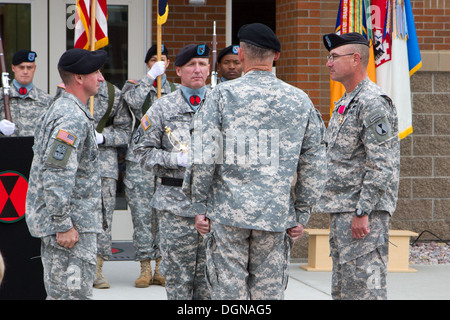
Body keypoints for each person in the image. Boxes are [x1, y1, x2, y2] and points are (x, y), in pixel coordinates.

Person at [184, 23, 327, 300]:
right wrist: (302, 212)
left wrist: (199, 205)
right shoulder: (300, 100)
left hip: (228, 214)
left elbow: (204, 155)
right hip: (275, 215)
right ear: (275, 56)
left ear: (241, 55)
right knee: (268, 293)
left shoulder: (220, 96)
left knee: (228, 294)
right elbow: (314, 161)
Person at [316, 32, 400, 300]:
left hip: (363, 215)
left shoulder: (372, 102)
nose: (328, 63)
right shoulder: (346, 101)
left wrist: (363, 211)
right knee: (344, 292)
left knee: (366, 292)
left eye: (333, 57)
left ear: (355, 59)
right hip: (344, 212)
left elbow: (382, 163)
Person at [25, 48, 107, 300]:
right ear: (79, 78)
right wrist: (63, 224)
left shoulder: (62, 108)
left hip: (71, 225)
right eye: (95, 72)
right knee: (72, 296)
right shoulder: (70, 117)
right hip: (72, 230)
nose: (101, 78)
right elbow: (56, 173)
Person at [133, 43, 211, 300]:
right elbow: (140, 152)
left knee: (211, 283)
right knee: (178, 282)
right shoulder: (162, 107)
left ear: (209, 68)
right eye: (191, 64)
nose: (197, 69)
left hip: (215, 206)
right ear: (178, 70)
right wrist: (175, 158)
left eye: (203, 64)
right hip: (176, 206)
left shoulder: (222, 104)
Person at [56, 77, 132, 289]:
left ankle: (98, 267)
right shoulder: (65, 91)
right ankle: (76, 266)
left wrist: (104, 137)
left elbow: (125, 131)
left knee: (104, 216)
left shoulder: (113, 93)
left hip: (104, 164)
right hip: (75, 162)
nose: (98, 76)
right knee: (74, 212)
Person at [122, 44, 177, 288]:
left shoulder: (175, 90)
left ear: (169, 63)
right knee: (142, 214)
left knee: (164, 214)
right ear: (147, 63)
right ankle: (144, 266)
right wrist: (150, 78)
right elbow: (133, 104)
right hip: (140, 160)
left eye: (162, 59)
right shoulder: (135, 86)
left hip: (167, 159)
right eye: (153, 59)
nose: (158, 62)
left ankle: (161, 265)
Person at [0, 50, 52, 137]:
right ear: (13, 68)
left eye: (29, 67)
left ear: (34, 68)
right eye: (21, 67)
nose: (25, 71)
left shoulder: (46, 100)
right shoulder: (2, 95)